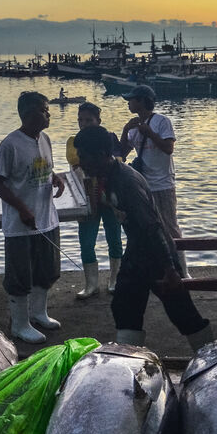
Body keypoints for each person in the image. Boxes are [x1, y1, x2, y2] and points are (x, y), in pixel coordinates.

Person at [73, 125, 212, 351]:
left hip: (156, 254)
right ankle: (129, 360)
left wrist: (170, 270)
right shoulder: (108, 175)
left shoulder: (127, 182)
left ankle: (213, 357)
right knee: (124, 307)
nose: (81, 162)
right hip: (136, 253)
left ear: (100, 155)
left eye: (83, 156)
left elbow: (153, 227)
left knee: (182, 313)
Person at [0, 91, 66, 344]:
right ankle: (19, 324)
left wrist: (54, 178)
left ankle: (39, 313)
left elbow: (44, 167)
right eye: (44, 110)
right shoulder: (9, 145)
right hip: (20, 224)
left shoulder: (44, 138)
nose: (49, 113)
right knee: (20, 274)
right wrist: (22, 209)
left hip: (46, 218)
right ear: (28, 113)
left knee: (47, 269)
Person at [120, 84, 188, 273]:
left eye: (131, 100)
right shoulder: (133, 127)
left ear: (142, 101)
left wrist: (149, 133)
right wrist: (126, 130)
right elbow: (122, 153)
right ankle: (157, 267)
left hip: (163, 184)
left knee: (170, 227)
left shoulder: (161, 121)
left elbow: (168, 148)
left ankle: (182, 268)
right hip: (143, 185)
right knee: (146, 227)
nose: (128, 103)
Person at [65, 101, 128, 298]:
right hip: (86, 197)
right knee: (86, 241)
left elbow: (119, 160)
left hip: (109, 196)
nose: (84, 124)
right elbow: (74, 161)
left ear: (98, 121)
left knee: (115, 239)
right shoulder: (73, 141)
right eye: (80, 120)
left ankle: (115, 279)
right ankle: (90, 283)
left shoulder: (109, 138)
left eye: (89, 120)